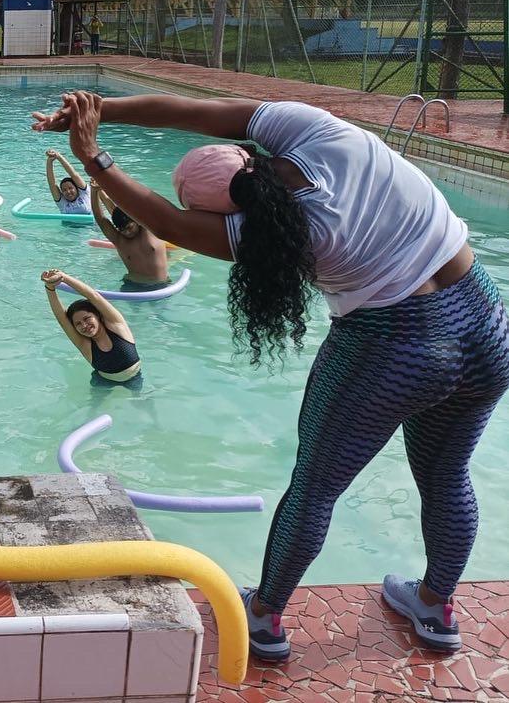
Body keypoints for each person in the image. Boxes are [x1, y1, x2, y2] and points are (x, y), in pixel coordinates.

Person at [33, 88, 509, 661]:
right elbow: (192, 111)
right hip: (483, 317)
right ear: (246, 152)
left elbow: (165, 220)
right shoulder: (320, 132)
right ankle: (436, 605)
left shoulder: (265, 236)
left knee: (315, 487)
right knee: (448, 473)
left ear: (224, 211)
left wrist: (93, 158)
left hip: (392, 345)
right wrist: (97, 109)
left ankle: (263, 618)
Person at [41, 268, 142, 386]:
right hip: (103, 382)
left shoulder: (117, 326)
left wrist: (64, 277)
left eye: (87, 318)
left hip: (134, 378)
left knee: (141, 403)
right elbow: (62, 319)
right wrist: (49, 288)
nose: (84, 325)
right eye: (78, 324)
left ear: (98, 315)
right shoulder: (85, 345)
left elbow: (94, 296)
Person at [90, 188, 169, 289]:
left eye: (129, 227)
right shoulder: (119, 240)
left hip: (160, 285)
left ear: (136, 220)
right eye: (122, 230)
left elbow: (143, 202)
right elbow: (100, 218)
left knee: (117, 211)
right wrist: (94, 191)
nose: (127, 233)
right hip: (131, 285)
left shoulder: (150, 230)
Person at [45, 149, 92, 214]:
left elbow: (73, 174)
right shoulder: (62, 202)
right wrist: (49, 161)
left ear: (77, 188)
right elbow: (52, 184)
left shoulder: (84, 193)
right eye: (64, 190)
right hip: (68, 224)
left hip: (89, 224)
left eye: (70, 188)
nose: (68, 192)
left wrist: (59, 156)